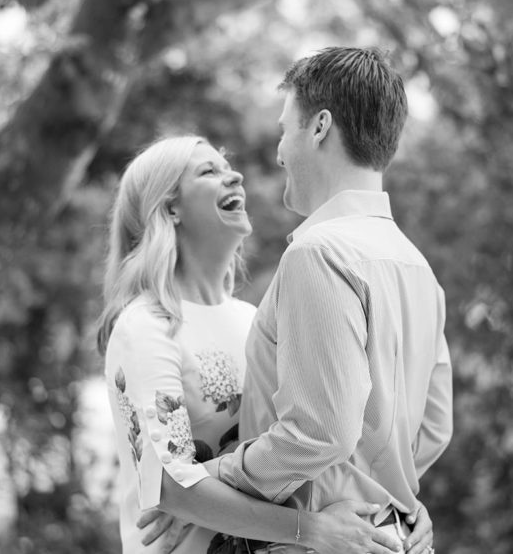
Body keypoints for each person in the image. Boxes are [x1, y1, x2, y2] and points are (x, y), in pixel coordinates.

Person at [197, 47, 453, 554]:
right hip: (393, 536)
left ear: (318, 128)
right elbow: (435, 426)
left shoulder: (318, 252)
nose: (278, 151)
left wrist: (207, 479)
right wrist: (389, 499)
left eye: (283, 129)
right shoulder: (416, 266)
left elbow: (320, 432)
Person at [98, 135, 408, 554]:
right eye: (210, 171)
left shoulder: (251, 319)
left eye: (228, 166)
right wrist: (311, 530)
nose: (236, 176)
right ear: (170, 208)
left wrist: (403, 508)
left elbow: (315, 439)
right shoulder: (146, 328)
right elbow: (170, 485)